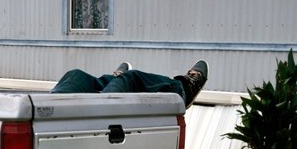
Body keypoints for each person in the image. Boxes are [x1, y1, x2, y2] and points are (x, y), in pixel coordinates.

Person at [51, 60, 209, 108]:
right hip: (102, 110)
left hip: (55, 114)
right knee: (131, 78)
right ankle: (184, 90)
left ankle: (114, 80)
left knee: (75, 75)